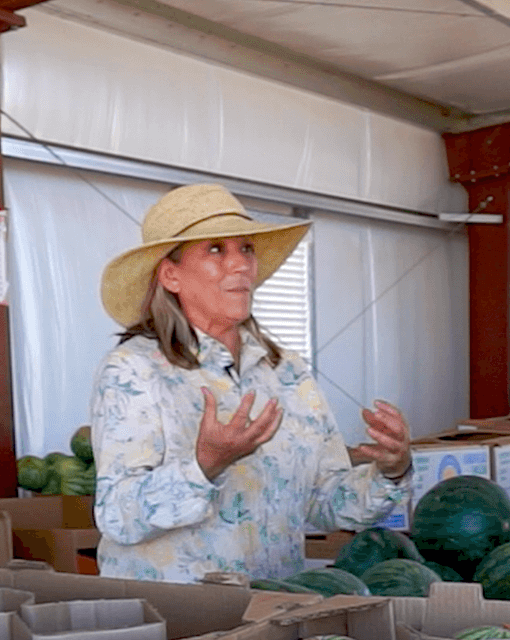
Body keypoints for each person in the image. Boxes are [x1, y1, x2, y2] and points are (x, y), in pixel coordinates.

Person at [90, 183, 412, 583]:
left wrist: (390, 473)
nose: (240, 264)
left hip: (271, 610)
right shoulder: (132, 370)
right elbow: (117, 516)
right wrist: (205, 466)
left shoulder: (287, 373)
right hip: (173, 620)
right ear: (171, 275)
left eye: (246, 248)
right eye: (215, 249)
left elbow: (325, 502)